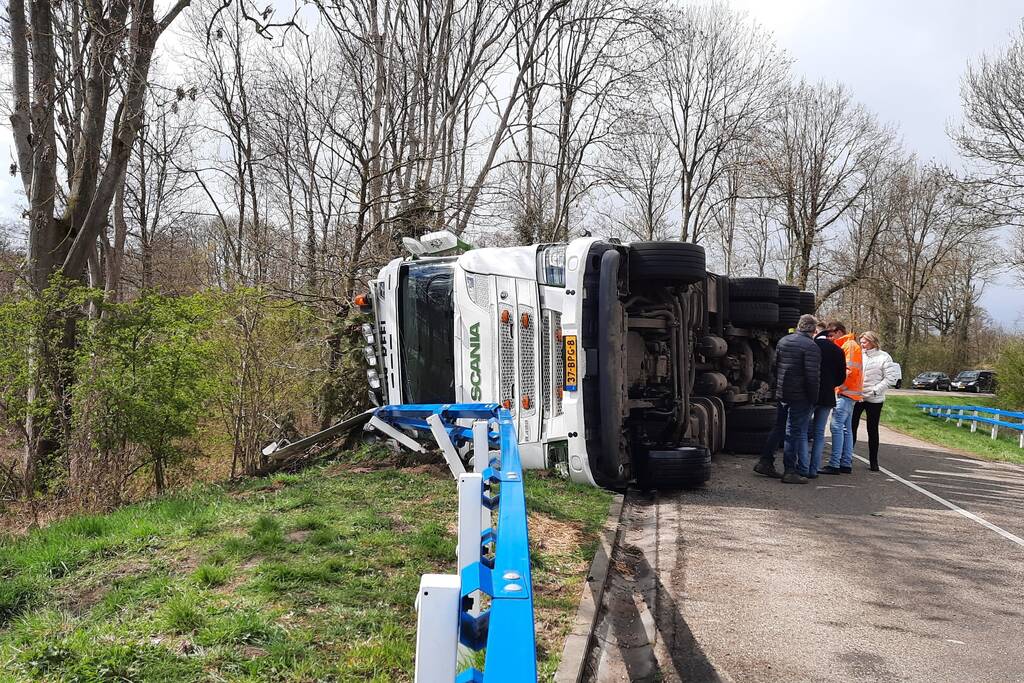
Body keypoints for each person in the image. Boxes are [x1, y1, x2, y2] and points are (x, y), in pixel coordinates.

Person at [770, 314, 821, 484]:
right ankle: (790, 471)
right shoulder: (811, 347)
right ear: (813, 330)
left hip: (783, 392)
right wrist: (814, 398)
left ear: (799, 326)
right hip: (800, 396)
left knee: (778, 428)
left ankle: (765, 461)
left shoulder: (784, 341)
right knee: (793, 432)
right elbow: (812, 376)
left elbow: (775, 366)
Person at [801, 324, 847, 477]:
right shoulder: (838, 350)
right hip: (827, 396)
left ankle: (803, 466)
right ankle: (813, 470)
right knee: (819, 433)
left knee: (803, 431)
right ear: (829, 336)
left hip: (810, 394)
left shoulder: (811, 346)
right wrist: (830, 385)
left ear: (816, 334)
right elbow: (841, 377)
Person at [852, 331, 899, 471]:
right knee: (851, 427)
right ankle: (847, 457)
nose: (862, 344)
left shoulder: (884, 357)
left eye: (865, 342)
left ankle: (874, 461)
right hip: (858, 397)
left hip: (874, 399)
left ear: (873, 342)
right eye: (861, 342)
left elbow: (890, 378)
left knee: (872, 429)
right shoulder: (859, 355)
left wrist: (875, 390)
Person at [821, 321, 862, 475]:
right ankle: (845, 462)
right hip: (850, 393)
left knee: (836, 427)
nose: (830, 338)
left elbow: (850, 370)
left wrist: (840, 387)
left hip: (845, 393)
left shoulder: (849, 346)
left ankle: (835, 464)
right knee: (846, 429)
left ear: (839, 332)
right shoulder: (849, 345)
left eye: (831, 335)